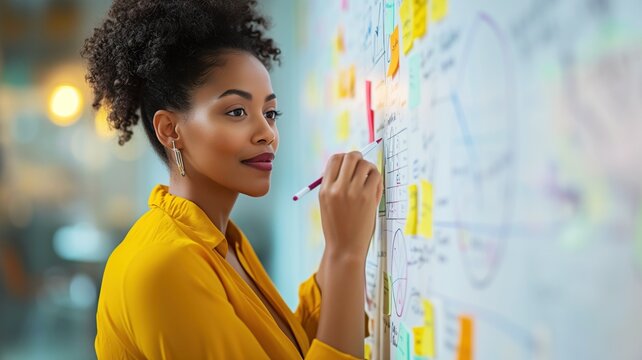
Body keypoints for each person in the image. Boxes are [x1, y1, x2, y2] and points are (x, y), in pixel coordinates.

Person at [81, 1, 383, 359]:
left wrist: (341, 246)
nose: (267, 133)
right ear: (170, 130)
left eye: (271, 113)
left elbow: (291, 349)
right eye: (237, 111)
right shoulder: (164, 266)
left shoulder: (225, 241)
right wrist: (344, 254)